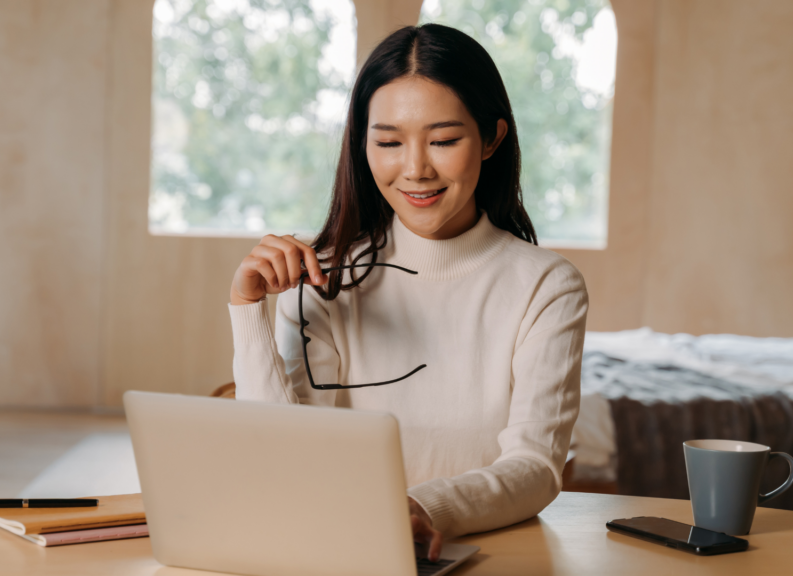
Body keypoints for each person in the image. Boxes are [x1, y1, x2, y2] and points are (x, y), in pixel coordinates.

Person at [228, 24, 587, 561]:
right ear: (362, 144)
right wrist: (246, 309)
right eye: (389, 142)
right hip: (332, 554)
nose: (416, 169)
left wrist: (414, 508)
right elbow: (279, 452)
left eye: (443, 141)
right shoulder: (321, 276)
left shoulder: (546, 286)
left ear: (491, 139)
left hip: (483, 556)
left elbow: (535, 469)